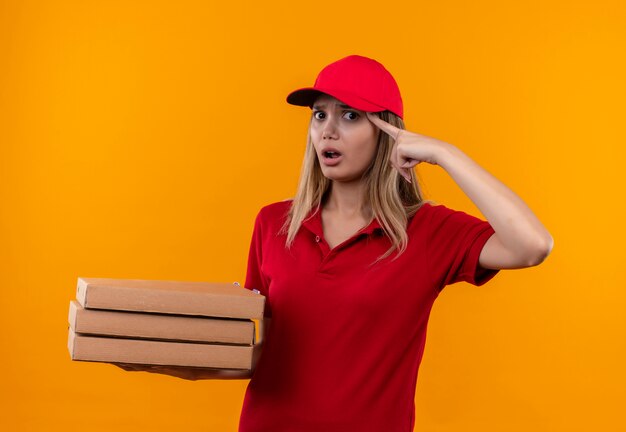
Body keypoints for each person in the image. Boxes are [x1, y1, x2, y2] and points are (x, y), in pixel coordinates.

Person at [116, 54, 554, 431]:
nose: (328, 130)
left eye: (349, 115)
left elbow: (532, 244)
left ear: (389, 133)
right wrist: (156, 358)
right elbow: (255, 355)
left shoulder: (425, 231)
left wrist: (445, 153)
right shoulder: (274, 223)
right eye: (319, 114)